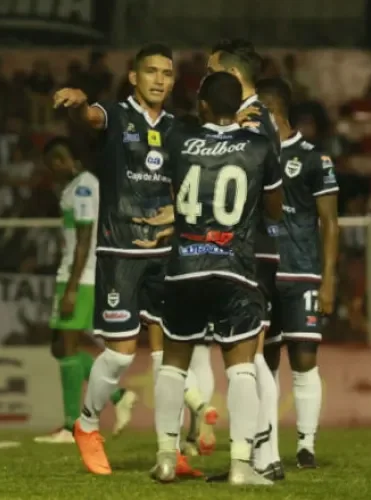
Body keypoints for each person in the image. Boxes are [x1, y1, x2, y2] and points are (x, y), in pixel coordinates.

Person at [52, 43, 201, 477]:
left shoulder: (178, 128)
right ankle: (87, 424)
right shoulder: (115, 115)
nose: (159, 79)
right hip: (121, 252)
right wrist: (79, 104)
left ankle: (169, 453)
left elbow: (189, 182)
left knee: (167, 356)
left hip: (167, 252)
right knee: (118, 356)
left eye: (167, 73)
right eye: (151, 71)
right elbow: (89, 118)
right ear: (134, 77)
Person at [148, 71, 283, 486]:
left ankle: (167, 458)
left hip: (185, 267)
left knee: (173, 364)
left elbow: (172, 193)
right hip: (235, 269)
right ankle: (242, 465)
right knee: (240, 368)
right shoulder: (260, 146)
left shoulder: (178, 141)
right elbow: (274, 210)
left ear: (203, 105)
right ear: (238, 106)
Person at [32, 137, 138, 445]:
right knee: (60, 347)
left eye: (59, 159)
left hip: (81, 277)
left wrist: (73, 287)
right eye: (52, 161)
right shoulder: (78, 186)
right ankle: (119, 395)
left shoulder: (82, 187)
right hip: (79, 275)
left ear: (70, 160)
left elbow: (84, 237)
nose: (55, 166)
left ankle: (70, 426)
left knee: (66, 346)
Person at [257, 77, 339, 470]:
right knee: (266, 361)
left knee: (304, 357)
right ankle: (268, 442)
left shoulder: (313, 158)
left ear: (274, 112)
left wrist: (330, 280)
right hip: (264, 272)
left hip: (303, 272)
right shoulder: (255, 154)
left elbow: (331, 223)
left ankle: (306, 445)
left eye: (258, 112)